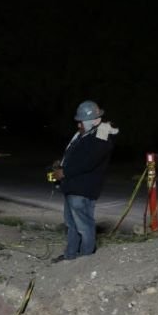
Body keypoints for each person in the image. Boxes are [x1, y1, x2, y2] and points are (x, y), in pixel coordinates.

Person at [51, 100, 118, 262]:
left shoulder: (101, 137)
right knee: (72, 225)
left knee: (84, 226)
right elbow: (76, 157)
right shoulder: (85, 134)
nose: (78, 125)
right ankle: (71, 256)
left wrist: (64, 172)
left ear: (94, 120)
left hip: (83, 189)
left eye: (81, 121)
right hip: (72, 186)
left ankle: (86, 260)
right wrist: (61, 164)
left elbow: (88, 163)